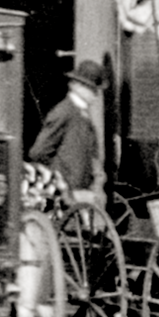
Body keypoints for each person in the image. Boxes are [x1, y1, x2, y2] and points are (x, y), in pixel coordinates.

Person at [28, 59, 108, 207]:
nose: (96, 95)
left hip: (80, 194)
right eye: (93, 89)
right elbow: (38, 152)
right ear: (78, 86)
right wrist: (59, 177)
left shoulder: (82, 114)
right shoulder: (64, 112)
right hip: (66, 194)